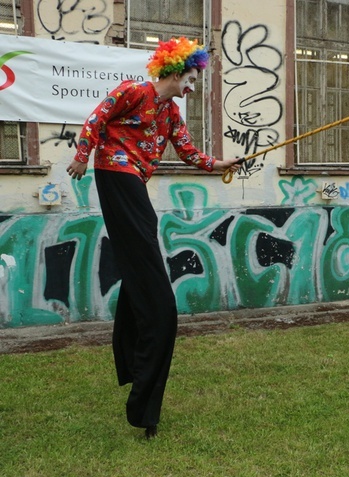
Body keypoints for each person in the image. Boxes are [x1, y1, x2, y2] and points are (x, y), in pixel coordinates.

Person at [66, 37, 241, 439]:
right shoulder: (134, 91)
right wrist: (80, 155)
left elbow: (188, 152)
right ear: (176, 71)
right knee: (152, 273)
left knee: (140, 268)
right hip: (115, 174)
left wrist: (221, 164)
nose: (193, 87)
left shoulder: (171, 113)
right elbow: (95, 119)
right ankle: (149, 332)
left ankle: (134, 360)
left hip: (134, 183)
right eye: (192, 79)